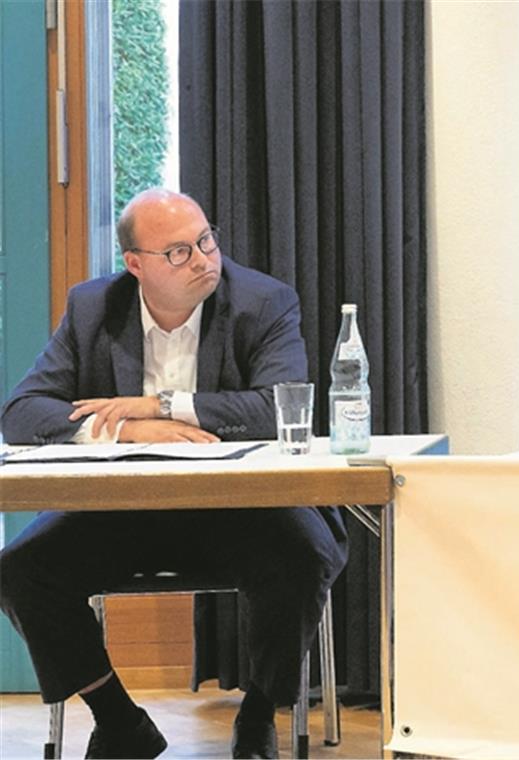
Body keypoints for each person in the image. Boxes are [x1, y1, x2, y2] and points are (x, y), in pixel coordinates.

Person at [0, 189, 345, 759]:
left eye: (206, 240)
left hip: (237, 511)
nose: (205, 259)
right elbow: (22, 413)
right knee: (22, 572)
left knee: (303, 553)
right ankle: (118, 720)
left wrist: (156, 407)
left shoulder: (263, 302)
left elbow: (276, 407)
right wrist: (125, 430)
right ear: (136, 265)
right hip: (123, 513)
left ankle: (258, 715)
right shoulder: (94, 309)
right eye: (179, 252)